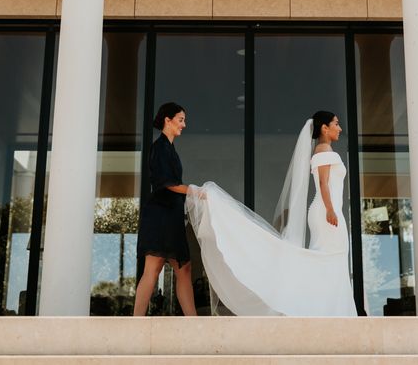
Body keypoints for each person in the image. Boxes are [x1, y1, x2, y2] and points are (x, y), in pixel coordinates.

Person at [186, 110, 358, 316]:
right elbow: (323, 183)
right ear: (324, 128)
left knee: (331, 260)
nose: (339, 128)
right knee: (332, 258)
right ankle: (332, 312)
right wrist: (331, 210)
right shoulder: (326, 151)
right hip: (326, 211)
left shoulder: (323, 151)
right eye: (336, 124)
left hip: (325, 210)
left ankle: (326, 310)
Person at [133, 102, 200, 316]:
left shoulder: (169, 147)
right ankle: (136, 322)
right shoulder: (160, 147)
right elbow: (167, 183)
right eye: (180, 120)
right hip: (161, 214)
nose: (184, 124)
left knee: (183, 269)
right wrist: (194, 191)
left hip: (170, 215)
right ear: (167, 120)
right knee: (154, 268)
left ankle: (193, 321)